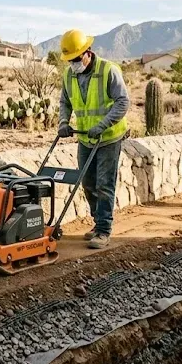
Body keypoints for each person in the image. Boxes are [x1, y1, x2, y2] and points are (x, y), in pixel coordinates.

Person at [56, 29, 130, 249]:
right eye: (69, 60)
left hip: (108, 137)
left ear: (88, 52)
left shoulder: (109, 70)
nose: (73, 63)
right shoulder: (69, 75)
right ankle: (98, 223)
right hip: (86, 139)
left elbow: (122, 102)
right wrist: (63, 123)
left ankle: (104, 230)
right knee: (87, 183)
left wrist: (102, 125)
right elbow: (65, 102)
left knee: (104, 184)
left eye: (76, 59)